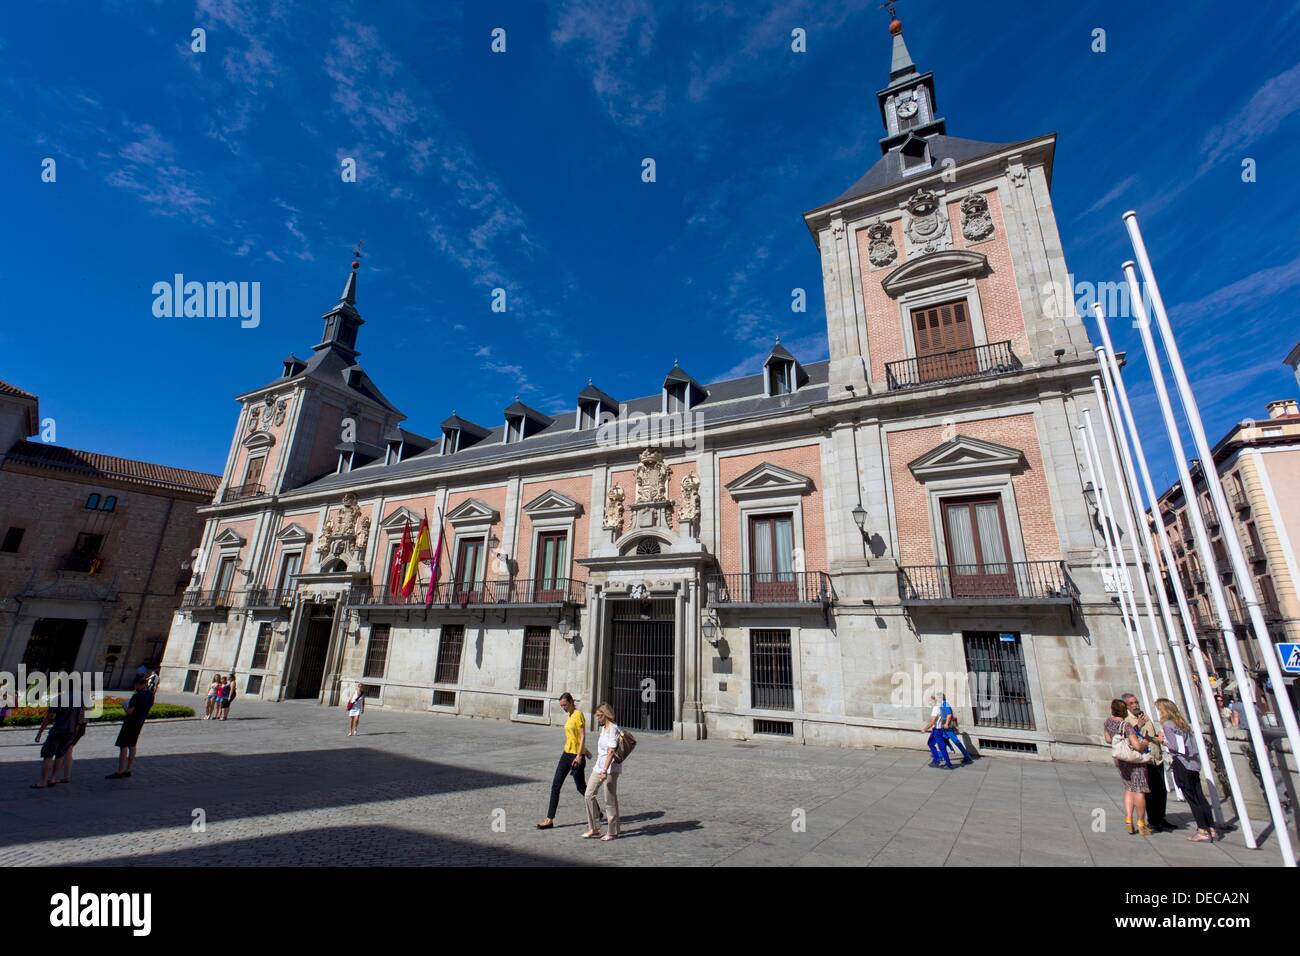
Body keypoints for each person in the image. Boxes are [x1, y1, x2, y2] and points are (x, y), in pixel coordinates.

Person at [537, 692, 601, 830]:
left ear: (571, 702)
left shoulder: (578, 715)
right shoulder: (570, 715)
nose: (563, 708)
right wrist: (587, 751)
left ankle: (597, 811)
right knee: (556, 785)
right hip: (566, 754)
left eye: (565, 705)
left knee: (581, 788)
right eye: (561, 706)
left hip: (575, 757)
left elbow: (583, 736)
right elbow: (574, 738)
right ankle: (549, 819)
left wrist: (580, 755)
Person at [1156, 697, 1216, 843]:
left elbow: (1175, 747)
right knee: (1200, 797)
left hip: (1182, 764)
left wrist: (1162, 740)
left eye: (1159, 709)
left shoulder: (1168, 725)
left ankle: (1202, 830)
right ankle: (1211, 828)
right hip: (1193, 764)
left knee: (1191, 798)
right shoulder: (1182, 724)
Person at [1124, 693, 1174, 832]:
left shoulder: (1144, 716)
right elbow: (1130, 738)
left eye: (1136, 702)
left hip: (1156, 757)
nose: (1136, 705)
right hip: (1144, 760)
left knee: (1161, 791)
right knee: (1150, 792)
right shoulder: (1127, 720)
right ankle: (1153, 820)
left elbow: (1150, 735)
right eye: (1132, 703)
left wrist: (1158, 737)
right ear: (1126, 706)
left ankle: (1161, 818)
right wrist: (1139, 726)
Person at [1104, 697, 1151, 835]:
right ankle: (1141, 821)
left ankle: (1129, 819)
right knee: (1139, 790)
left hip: (1120, 759)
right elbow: (1136, 745)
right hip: (1134, 761)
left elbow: (1108, 739)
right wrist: (1146, 743)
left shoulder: (1108, 722)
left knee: (1129, 788)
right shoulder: (1126, 725)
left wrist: (1138, 726)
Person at [584, 703, 621, 841]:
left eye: (599, 716)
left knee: (609, 800)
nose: (597, 718)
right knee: (588, 794)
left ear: (605, 715)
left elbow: (611, 751)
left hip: (610, 768)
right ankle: (594, 827)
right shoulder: (604, 729)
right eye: (597, 716)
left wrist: (605, 770)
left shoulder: (613, 729)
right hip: (599, 766)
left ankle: (612, 831)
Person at [106, 675, 155, 779]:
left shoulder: (137, 696)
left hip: (130, 722)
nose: (135, 686)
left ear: (140, 684)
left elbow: (130, 711)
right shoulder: (151, 694)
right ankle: (128, 769)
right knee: (132, 745)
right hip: (139, 722)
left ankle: (120, 771)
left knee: (123, 746)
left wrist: (124, 706)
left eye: (136, 684)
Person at [33, 696, 84, 789]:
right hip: (71, 731)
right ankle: (53, 778)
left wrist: (39, 733)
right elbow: (80, 720)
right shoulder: (80, 699)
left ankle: (43, 781)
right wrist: (74, 733)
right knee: (60, 755)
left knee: (47, 755)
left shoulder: (59, 698)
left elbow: (48, 717)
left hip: (58, 730)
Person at [937, 694, 974, 765]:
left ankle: (967, 756)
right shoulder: (941, 705)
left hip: (948, 727)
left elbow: (949, 715)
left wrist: (947, 724)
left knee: (956, 741)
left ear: (941, 698)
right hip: (944, 727)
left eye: (938, 698)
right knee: (942, 741)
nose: (937, 700)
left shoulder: (946, 705)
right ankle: (941, 755)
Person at [924, 695, 953, 769]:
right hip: (936, 730)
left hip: (937, 731)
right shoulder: (938, 708)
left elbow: (932, 722)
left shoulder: (935, 709)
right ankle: (936, 760)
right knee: (930, 743)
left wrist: (924, 729)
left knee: (942, 747)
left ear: (932, 701)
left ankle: (949, 764)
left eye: (929, 700)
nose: (928, 702)